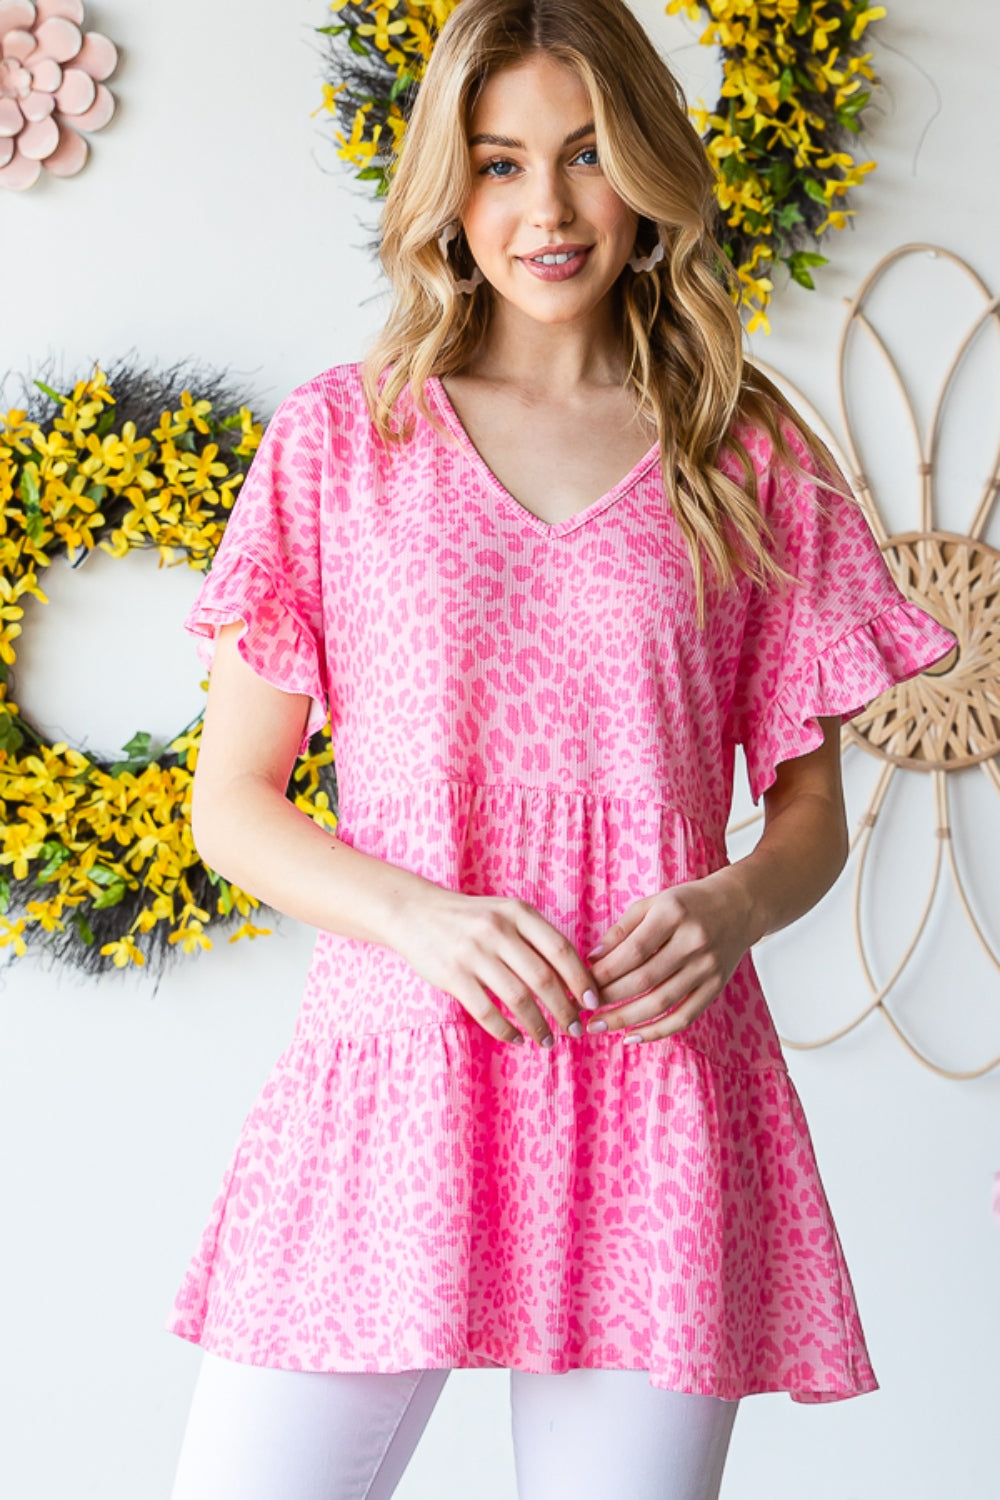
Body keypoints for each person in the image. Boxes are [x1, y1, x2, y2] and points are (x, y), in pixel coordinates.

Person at [165, 2, 957, 1497]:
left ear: (648, 167)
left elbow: (809, 821)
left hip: (653, 1079)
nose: (547, 208)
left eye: (588, 155)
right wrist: (414, 913)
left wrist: (731, 908)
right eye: (501, 160)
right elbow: (232, 806)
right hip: (397, 1069)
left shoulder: (748, 454)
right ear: (448, 193)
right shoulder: (343, 441)